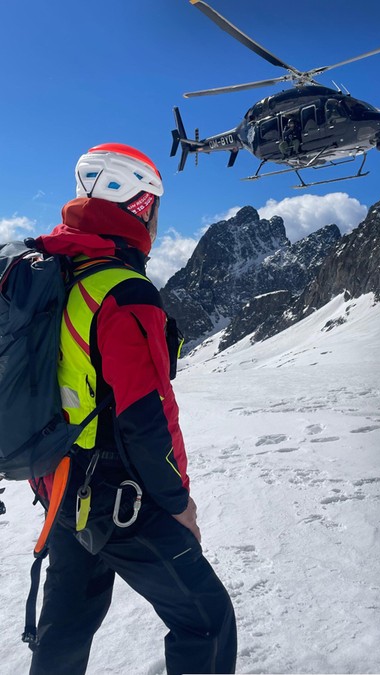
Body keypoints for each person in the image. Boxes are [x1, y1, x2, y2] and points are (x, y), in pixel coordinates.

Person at [27, 143, 237, 674]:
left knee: (66, 629)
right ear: (140, 205)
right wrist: (177, 503)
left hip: (62, 489)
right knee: (206, 620)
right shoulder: (125, 292)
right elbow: (147, 417)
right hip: (122, 499)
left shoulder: (58, 271)